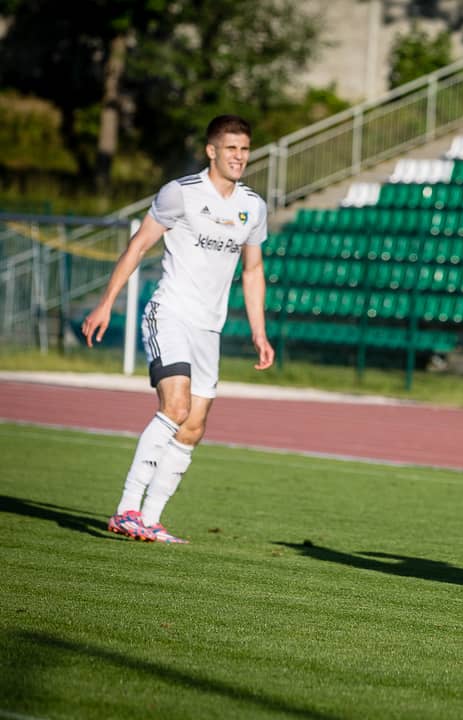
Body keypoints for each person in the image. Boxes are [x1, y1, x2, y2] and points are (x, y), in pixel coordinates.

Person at [82, 114, 274, 543]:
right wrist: (106, 303)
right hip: (169, 313)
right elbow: (138, 246)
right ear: (211, 151)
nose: (239, 157)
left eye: (245, 149)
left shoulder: (253, 206)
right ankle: (126, 509)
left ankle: (150, 519)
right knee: (176, 407)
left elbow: (253, 270)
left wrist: (259, 332)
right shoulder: (181, 193)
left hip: (209, 329)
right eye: (231, 148)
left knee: (193, 427)